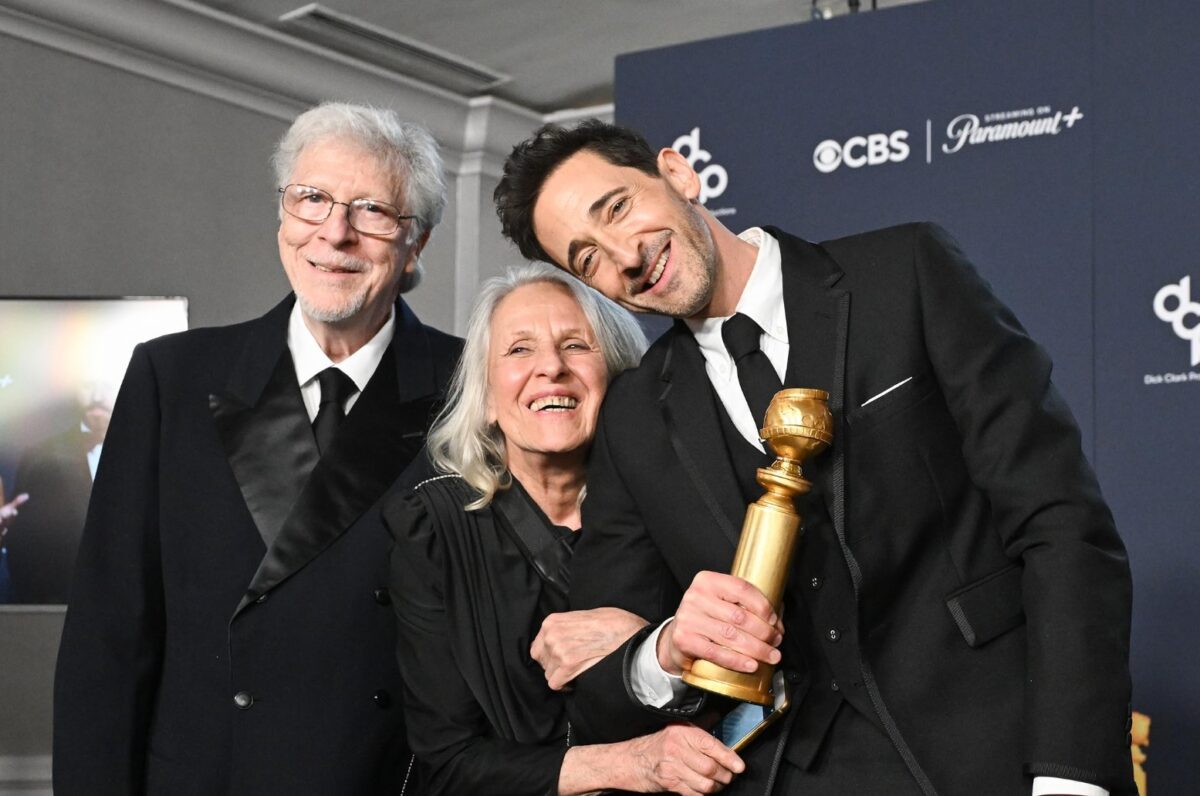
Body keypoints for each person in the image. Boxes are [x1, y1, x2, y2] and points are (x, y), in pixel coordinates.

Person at [492, 120, 1136, 796]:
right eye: (587, 258)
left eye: (619, 208)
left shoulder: (904, 273)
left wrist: (1070, 775)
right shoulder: (634, 418)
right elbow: (604, 679)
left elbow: (1061, 526)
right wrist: (668, 648)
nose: (624, 256)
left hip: (1004, 748)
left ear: (678, 175)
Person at [53, 102, 462, 796]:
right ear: (283, 216)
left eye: (371, 211)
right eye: (312, 199)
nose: (335, 234)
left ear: (414, 244)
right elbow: (109, 637)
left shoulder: (472, 388)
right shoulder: (171, 378)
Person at [384, 263, 747, 796]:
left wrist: (643, 642)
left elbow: (751, 676)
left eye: (576, 345)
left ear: (619, 379)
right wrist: (633, 763)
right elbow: (448, 761)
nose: (551, 368)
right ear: (486, 396)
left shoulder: (684, 503)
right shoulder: (432, 530)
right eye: (519, 350)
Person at [5, 378, 114, 604]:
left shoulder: (158, 449)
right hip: (61, 612)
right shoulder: (41, 456)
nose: (97, 396)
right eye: (88, 383)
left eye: (108, 384)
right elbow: (22, 546)